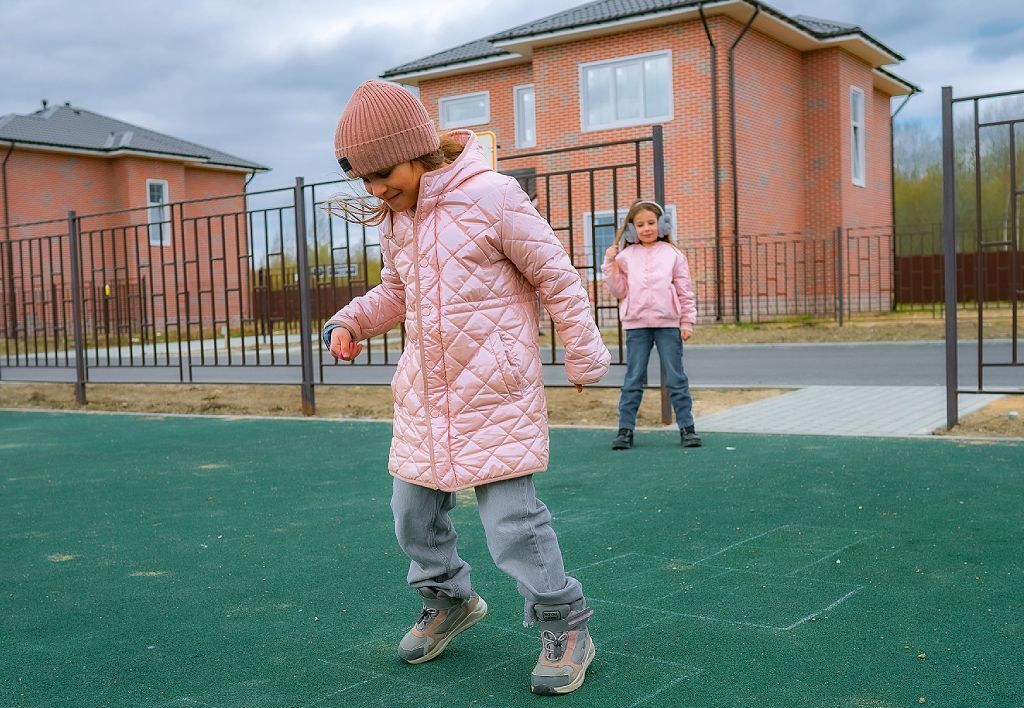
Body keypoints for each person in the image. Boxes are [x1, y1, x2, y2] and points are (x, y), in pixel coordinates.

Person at [322, 80, 610, 696]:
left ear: (417, 149)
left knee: (513, 523)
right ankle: (448, 599)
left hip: (494, 392)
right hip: (426, 397)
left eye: (382, 173)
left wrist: (584, 353)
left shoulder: (493, 196)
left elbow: (555, 277)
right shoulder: (398, 219)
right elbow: (397, 292)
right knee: (411, 514)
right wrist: (353, 319)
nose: (375, 190)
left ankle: (566, 623)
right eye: (363, 179)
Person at [601, 200, 701, 450]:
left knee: (676, 378)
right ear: (632, 229)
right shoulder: (624, 257)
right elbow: (619, 290)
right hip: (637, 326)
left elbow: (684, 291)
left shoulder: (674, 255)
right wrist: (609, 265)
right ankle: (625, 431)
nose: (646, 228)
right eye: (640, 224)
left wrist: (687, 321)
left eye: (651, 223)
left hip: (669, 325)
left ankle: (687, 429)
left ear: (662, 224)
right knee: (633, 378)